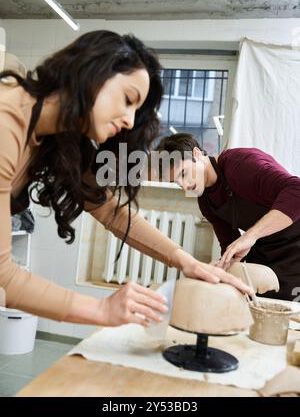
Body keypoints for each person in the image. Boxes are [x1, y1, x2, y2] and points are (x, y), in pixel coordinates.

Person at [0, 31, 251, 329]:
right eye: (128, 99)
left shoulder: (56, 137)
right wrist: (102, 310)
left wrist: (186, 261)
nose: (130, 121)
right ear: (91, 71)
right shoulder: (7, 120)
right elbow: (3, 275)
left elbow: (110, 210)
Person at [156, 132, 300, 301]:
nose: (185, 186)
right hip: (265, 251)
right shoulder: (206, 202)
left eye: (184, 173)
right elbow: (230, 245)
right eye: (177, 182)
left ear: (197, 154)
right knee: (259, 306)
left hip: (296, 246)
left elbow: (296, 190)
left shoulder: (240, 164)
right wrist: (218, 270)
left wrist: (251, 235)